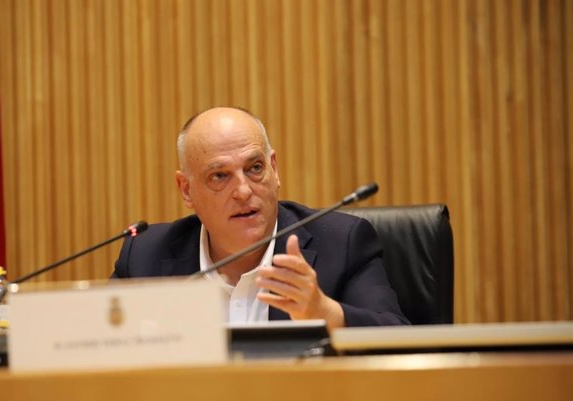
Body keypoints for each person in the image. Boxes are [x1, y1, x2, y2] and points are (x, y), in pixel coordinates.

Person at [112, 107, 409, 328]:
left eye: (254, 168)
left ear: (274, 169)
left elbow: (399, 342)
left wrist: (324, 313)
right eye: (219, 176)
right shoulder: (144, 259)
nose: (242, 190)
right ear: (186, 189)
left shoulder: (342, 243)